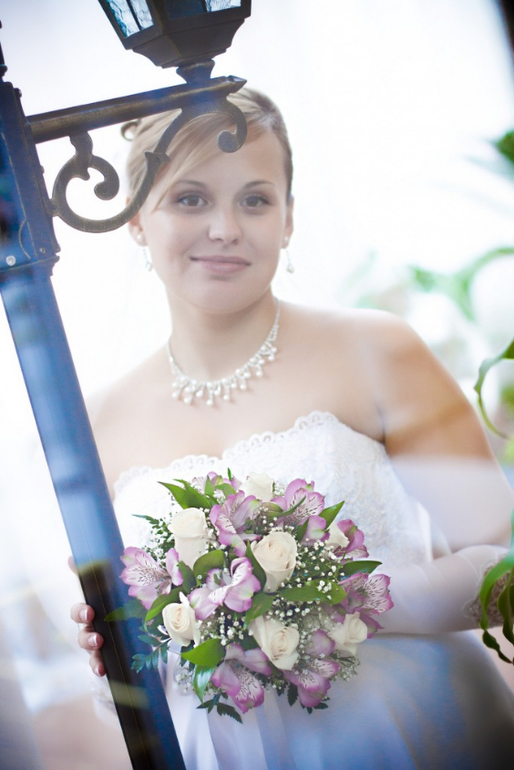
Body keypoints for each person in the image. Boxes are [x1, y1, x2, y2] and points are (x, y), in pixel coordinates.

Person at [71, 88, 514, 769]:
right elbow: (130, 687)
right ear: (136, 220)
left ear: (289, 218)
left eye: (255, 199)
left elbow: (503, 569)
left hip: (414, 730)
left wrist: (337, 601)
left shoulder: (377, 350)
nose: (225, 228)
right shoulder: (93, 422)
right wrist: (117, 660)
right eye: (190, 199)